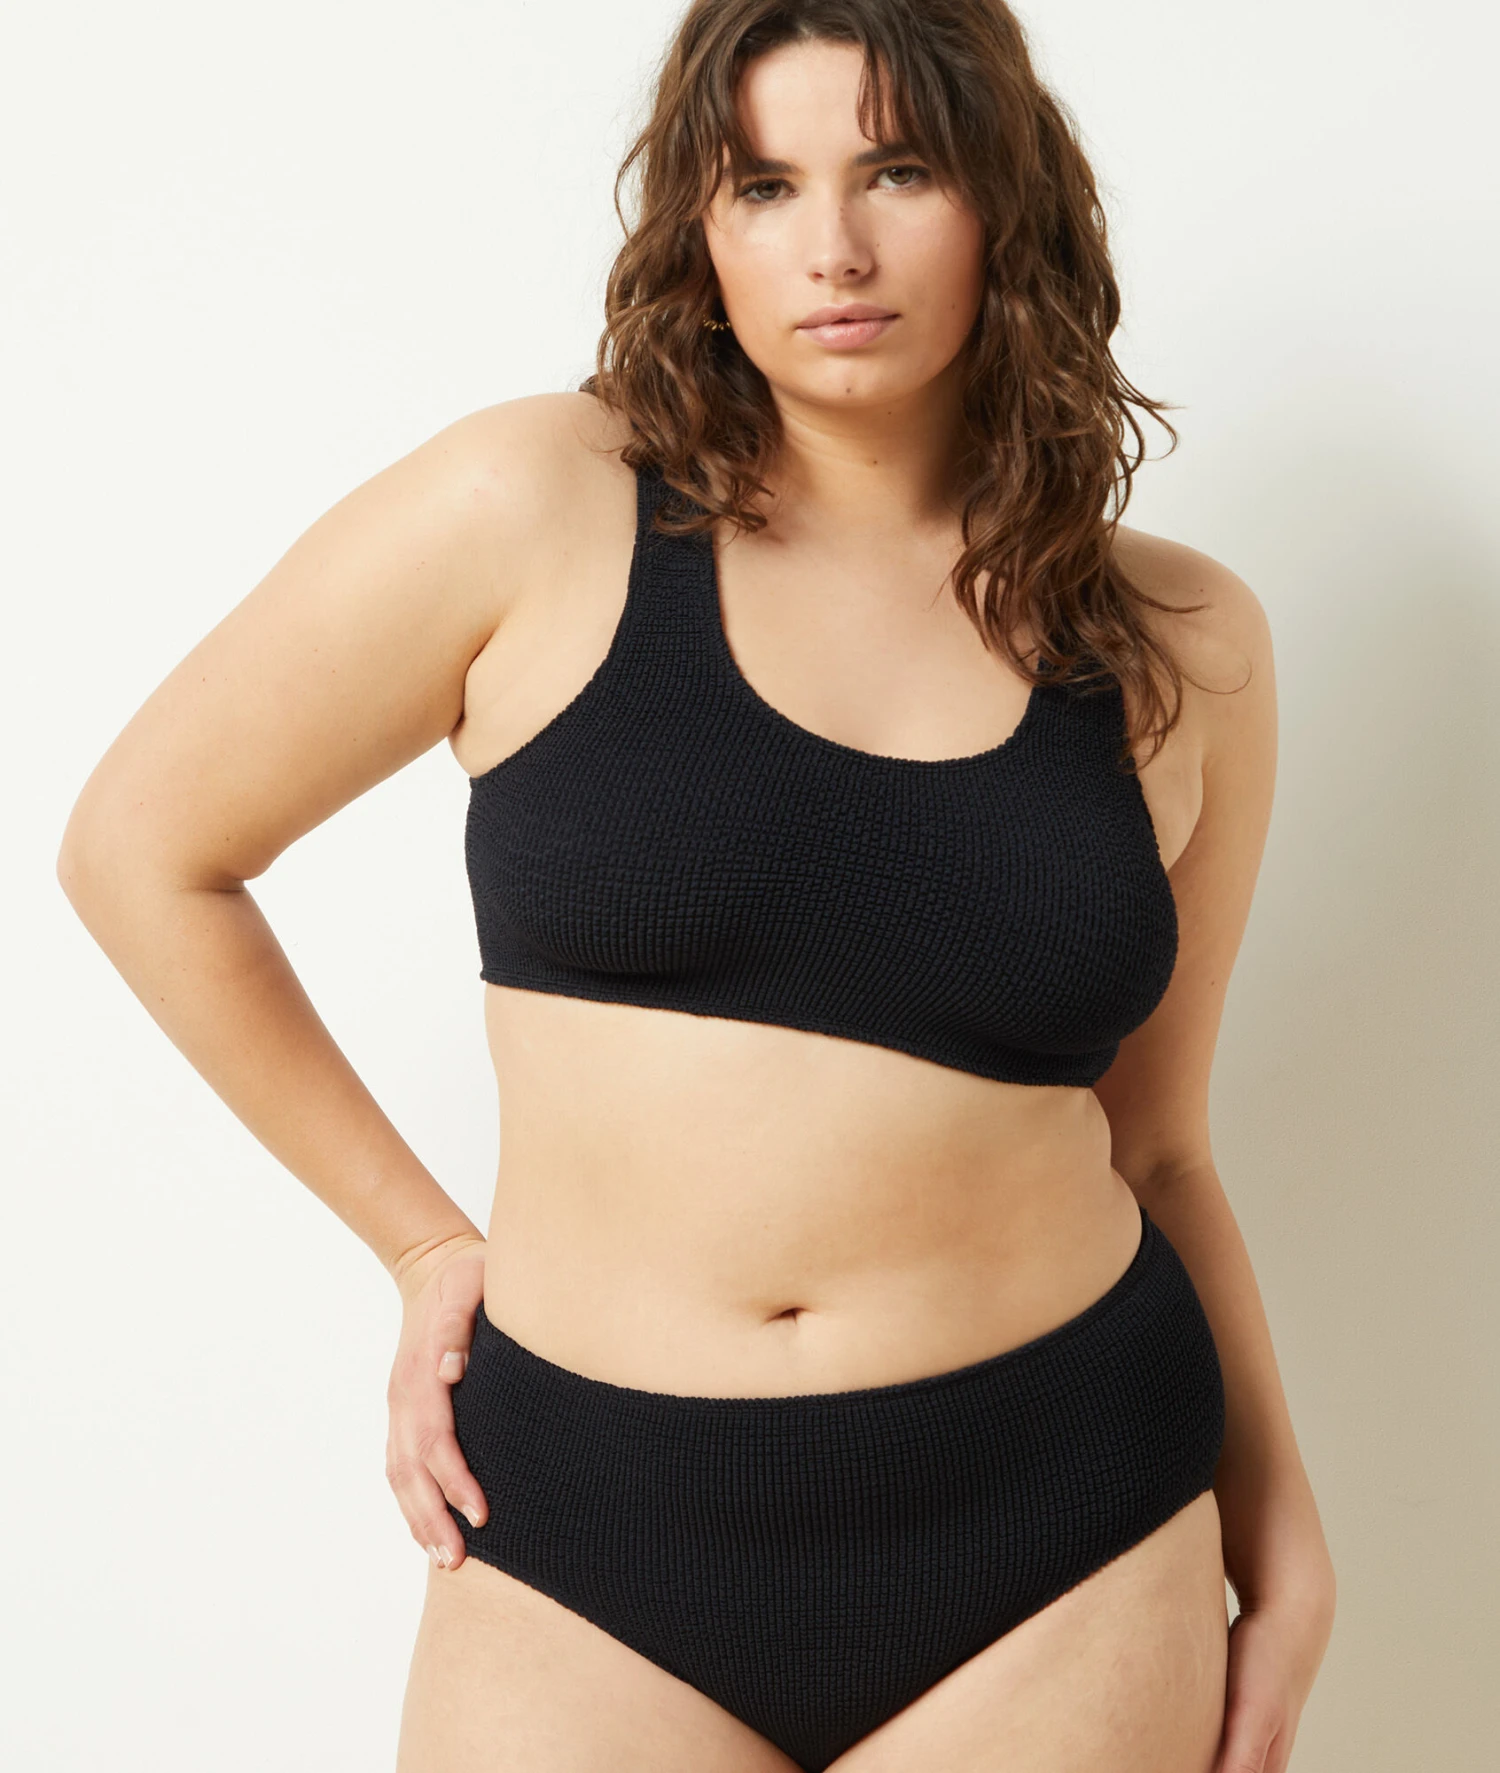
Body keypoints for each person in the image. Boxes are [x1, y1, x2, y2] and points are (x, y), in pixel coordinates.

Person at [57, 2, 1336, 1769]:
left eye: (900, 171)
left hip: (1066, 1522)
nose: (835, 248)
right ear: (699, 226)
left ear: (1010, 204)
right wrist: (421, 1244)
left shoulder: (1183, 640)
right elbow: (143, 850)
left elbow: (1165, 1146)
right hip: (588, 1529)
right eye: (765, 184)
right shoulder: (538, 504)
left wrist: (1284, 1530)